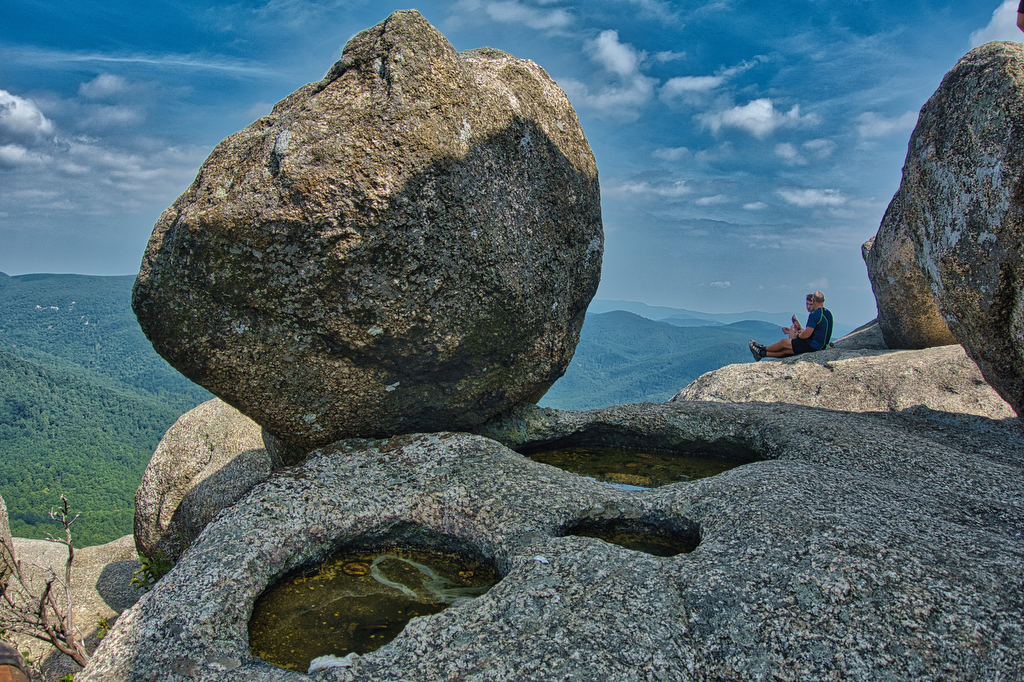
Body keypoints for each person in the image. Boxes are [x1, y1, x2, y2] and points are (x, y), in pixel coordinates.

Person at [749, 291, 833, 361]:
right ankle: (761, 354)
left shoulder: (815, 314)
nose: (809, 306)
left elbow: (807, 334)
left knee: (784, 342)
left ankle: (762, 349)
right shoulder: (828, 313)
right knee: (786, 351)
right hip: (820, 346)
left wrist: (798, 336)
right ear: (823, 301)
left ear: (814, 301)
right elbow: (818, 331)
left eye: (811, 303)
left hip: (813, 345)